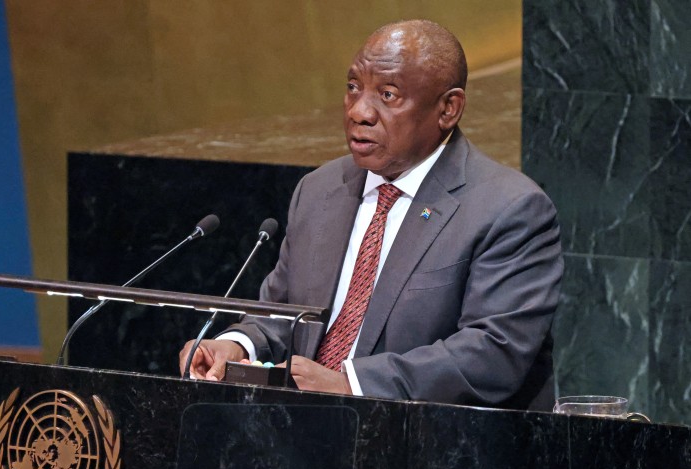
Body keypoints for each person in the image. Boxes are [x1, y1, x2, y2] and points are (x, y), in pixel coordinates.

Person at [178, 19, 563, 410]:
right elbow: (283, 315)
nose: (359, 111)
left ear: (448, 109)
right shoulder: (320, 190)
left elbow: (494, 352)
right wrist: (236, 345)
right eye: (352, 87)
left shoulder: (508, 208)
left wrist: (353, 384)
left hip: (428, 438)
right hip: (301, 429)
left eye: (388, 94)